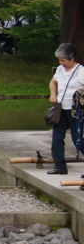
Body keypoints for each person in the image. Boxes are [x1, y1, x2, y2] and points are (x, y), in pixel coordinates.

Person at [47, 43, 84, 175]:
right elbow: (53, 81)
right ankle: (59, 166)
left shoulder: (81, 71)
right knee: (57, 138)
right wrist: (53, 94)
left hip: (75, 110)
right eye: (59, 60)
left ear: (72, 58)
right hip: (61, 108)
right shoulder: (60, 70)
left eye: (63, 60)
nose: (61, 63)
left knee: (77, 139)